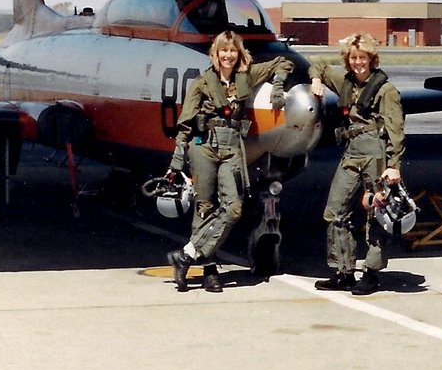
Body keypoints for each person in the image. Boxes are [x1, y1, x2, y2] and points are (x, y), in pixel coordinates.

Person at [166, 31, 293, 292]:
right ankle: (210, 271)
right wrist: (177, 161)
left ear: (239, 53)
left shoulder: (247, 76)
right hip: (204, 149)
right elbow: (185, 124)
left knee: (233, 208)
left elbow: (283, 61)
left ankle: (186, 255)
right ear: (216, 53)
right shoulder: (203, 82)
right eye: (223, 51)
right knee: (204, 209)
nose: (228, 55)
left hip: (232, 149)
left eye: (232, 50)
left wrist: (278, 84)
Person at [309, 32, 405, 295]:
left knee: (377, 214)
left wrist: (393, 164)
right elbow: (316, 65)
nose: (358, 63)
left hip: (376, 154)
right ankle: (344, 271)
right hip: (351, 153)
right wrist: (316, 80)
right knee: (335, 210)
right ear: (348, 60)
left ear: (371, 59)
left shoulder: (386, 91)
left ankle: (372, 273)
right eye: (353, 58)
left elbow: (396, 130)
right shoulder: (345, 82)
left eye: (363, 58)